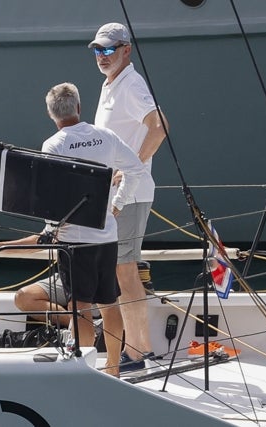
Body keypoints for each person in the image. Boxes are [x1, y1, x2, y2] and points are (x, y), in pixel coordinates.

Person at [0, 82, 144, 377]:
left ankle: (84, 370)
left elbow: (51, 198)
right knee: (109, 303)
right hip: (107, 237)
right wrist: (117, 205)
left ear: (51, 114)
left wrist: (52, 227)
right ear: (79, 107)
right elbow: (135, 169)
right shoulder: (105, 136)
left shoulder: (53, 145)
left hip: (75, 243)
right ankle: (114, 368)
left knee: (79, 306)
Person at [89, 22, 169, 371]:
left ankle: (138, 352)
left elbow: (160, 125)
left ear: (126, 50)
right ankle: (138, 348)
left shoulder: (131, 85)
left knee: (125, 270)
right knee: (121, 270)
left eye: (108, 50)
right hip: (115, 194)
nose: (102, 57)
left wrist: (131, 167)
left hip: (131, 194)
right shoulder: (112, 85)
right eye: (97, 50)